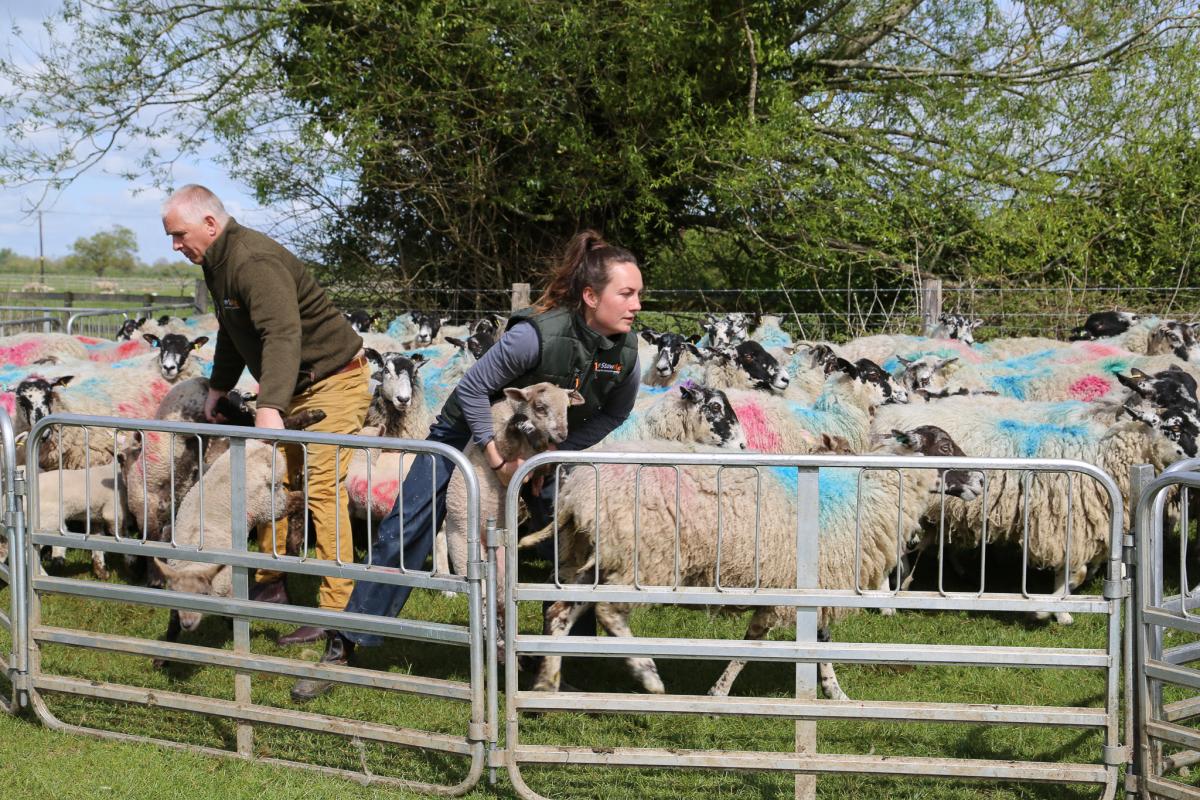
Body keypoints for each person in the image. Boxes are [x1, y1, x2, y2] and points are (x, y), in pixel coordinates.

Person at [291, 229, 643, 701]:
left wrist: (547, 460)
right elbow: (474, 388)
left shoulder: (626, 352)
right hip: (466, 432)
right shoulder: (534, 336)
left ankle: (553, 664)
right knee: (407, 525)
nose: (637, 304)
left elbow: (614, 413)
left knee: (570, 539)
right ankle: (344, 646)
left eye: (638, 293)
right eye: (627, 293)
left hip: (543, 445)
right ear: (590, 295)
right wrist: (496, 457)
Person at [161, 184, 372, 645]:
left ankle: (340, 610)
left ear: (210, 225)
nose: (176, 246)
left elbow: (281, 333)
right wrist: (219, 387)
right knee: (275, 482)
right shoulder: (219, 265)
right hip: (296, 383)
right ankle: (270, 584)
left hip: (334, 380)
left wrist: (270, 407)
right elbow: (233, 330)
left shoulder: (252, 261)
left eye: (179, 235)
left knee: (321, 487)